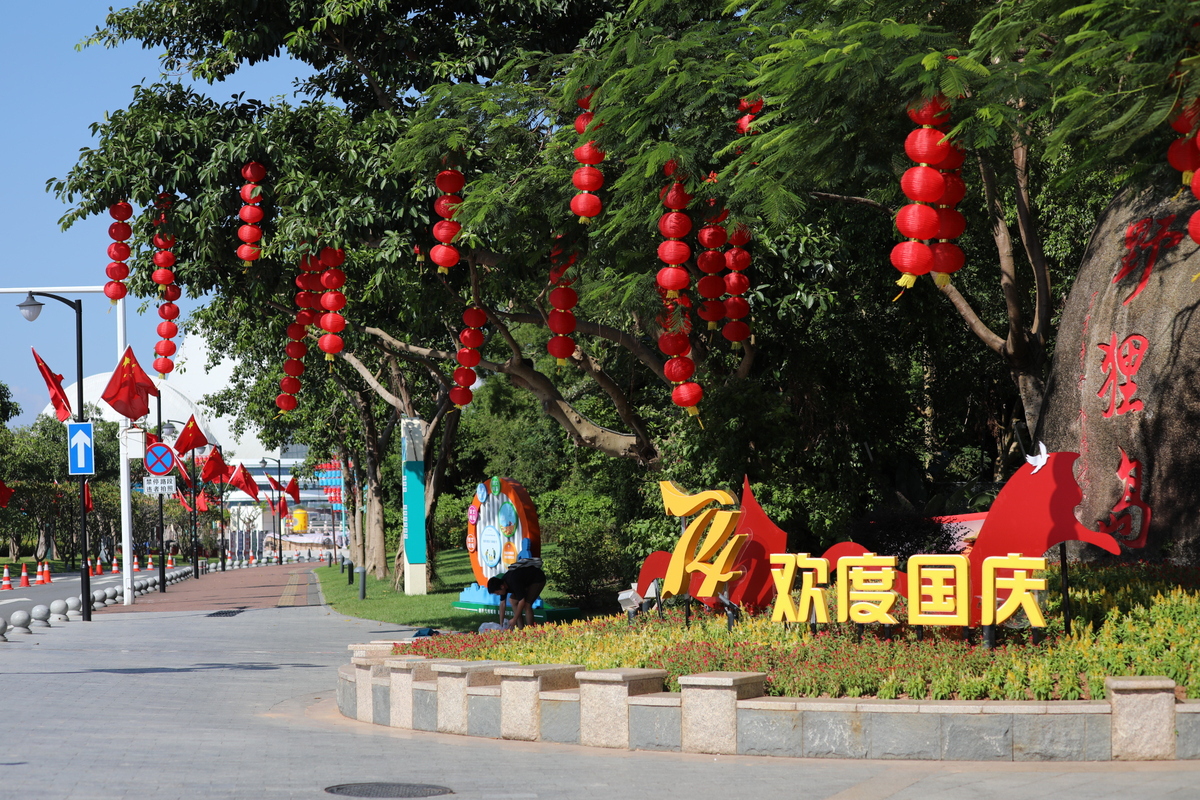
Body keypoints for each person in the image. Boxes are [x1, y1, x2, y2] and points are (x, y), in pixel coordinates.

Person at [487, 559, 546, 630]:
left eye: (498, 593)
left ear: (502, 586)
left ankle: (531, 630)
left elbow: (522, 601)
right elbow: (502, 604)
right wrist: (501, 624)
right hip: (525, 582)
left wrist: (514, 619)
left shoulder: (513, 581)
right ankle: (521, 627)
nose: (498, 594)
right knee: (512, 600)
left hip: (537, 579)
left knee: (527, 605)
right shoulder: (502, 584)